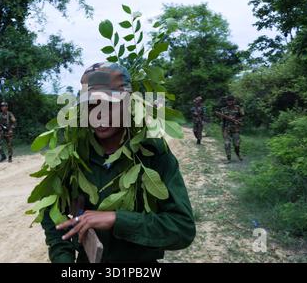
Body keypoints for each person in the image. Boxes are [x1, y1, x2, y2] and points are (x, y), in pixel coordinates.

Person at [41, 62, 196, 263]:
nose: (98, 114)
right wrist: (63, 259)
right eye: (91, 105)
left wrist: (116, 219)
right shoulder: (73, 156)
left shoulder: (153, 154)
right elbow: (54, 220)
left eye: (109, 104)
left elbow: (182, 229)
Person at [217, 95, 244, 163]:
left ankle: (238, 154)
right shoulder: (223, 109)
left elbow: (242, 117)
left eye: (231, 100)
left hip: (235, 129)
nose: (230, 102)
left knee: (236, 144)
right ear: (227, 102)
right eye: (228, 101)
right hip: (227, 129)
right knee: (227, 143)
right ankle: (228, 158)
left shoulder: (238, 108)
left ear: (234, 101)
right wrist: (222, 130)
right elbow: (222, 121)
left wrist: (237, 121)